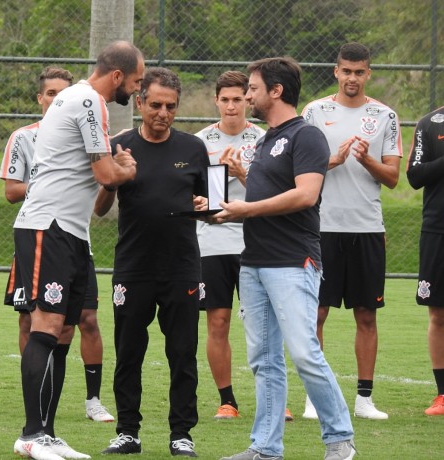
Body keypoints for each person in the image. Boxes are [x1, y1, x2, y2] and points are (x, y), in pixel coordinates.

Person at [7, 40, 144, 460]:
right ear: (117, 76)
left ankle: (47, 433)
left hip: (71, 233)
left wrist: (114, 170)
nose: (136, 91)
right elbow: (105, 172)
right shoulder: (88, 100)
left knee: (63, 331)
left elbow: (95, 170)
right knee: (45, 326)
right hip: (47, 227)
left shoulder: (78, 99)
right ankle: (31, 435)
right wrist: (125, 170)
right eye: (136, 82)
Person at [215, 57, 355, 460]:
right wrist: (239, 182)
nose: (249, 96)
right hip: (255, 263)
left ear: (276, 91)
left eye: (254, 88)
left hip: (293, 262)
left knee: (304, 352)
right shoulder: (265, 140)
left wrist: (245, 210)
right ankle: (265, 448)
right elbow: (268, 194)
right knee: (264, 361)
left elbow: (306, 194)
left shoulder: (306, 136)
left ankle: (340, 441)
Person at [96, 67, 209, 458]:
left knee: (182, 352)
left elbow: (211, 205)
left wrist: (206, 206)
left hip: (181, 267)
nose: (163, 113)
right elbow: (101, 207)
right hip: (133, 267)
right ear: (140, 102)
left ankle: (182, 434)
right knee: (129, 351)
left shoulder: (194, 149)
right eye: (156, 104)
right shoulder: (119, 145)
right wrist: (115, 178)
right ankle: (128, 432)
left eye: (171, 107)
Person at [0, 66, 114, 423]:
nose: (56, 99)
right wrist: (50, 182)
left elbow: (102, 189)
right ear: (41, 98)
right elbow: (10, 191)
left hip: (74, 236)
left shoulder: (89, 129)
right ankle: (35, 419)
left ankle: (87, 402)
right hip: (42, 231)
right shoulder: (24, 137)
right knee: (34, 322)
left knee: (83, 320)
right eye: (49, 94)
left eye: (60, 93)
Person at [302, 42, 402, 420]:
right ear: (335, 71)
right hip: (321, 228)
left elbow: (393, 178)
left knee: (366, 315)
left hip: (366, 228)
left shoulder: (385, 115)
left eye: (359, 72)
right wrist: (334, 159)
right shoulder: (314, 111)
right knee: (317, 313)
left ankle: (364, 400)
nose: (352, 79)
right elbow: (301, 168)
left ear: (368, 74)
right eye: (346, 71)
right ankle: (315, 398)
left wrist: (367, 160)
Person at [194, 70, 270, 420]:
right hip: (212, 243)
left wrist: (241, 173)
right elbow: (199, 199)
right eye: (224, 99)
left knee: (262, 323)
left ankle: (273, 399)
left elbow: (274, 196)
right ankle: (227, 400)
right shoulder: (200, 142)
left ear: (247, 100)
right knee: (219, 321)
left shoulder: (265, 139)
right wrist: (208, 192)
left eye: (237, 99)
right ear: (216, 101)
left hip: (254, 242)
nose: (231, 106)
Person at [406, 106, 444, 416]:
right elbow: (415, 176)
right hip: (438, 231)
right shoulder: (430, 123)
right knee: (439, 314)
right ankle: (443, 394)